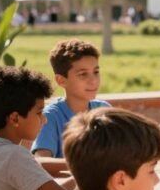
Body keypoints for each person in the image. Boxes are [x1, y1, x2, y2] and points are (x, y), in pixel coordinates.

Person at [33, 39, 111, 174]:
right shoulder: (50, 117)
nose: (93, 80)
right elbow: (40, 161)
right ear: (61, 80)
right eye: (83, 74)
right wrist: (89, 166)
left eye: (96, 72)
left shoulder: (105, 110)